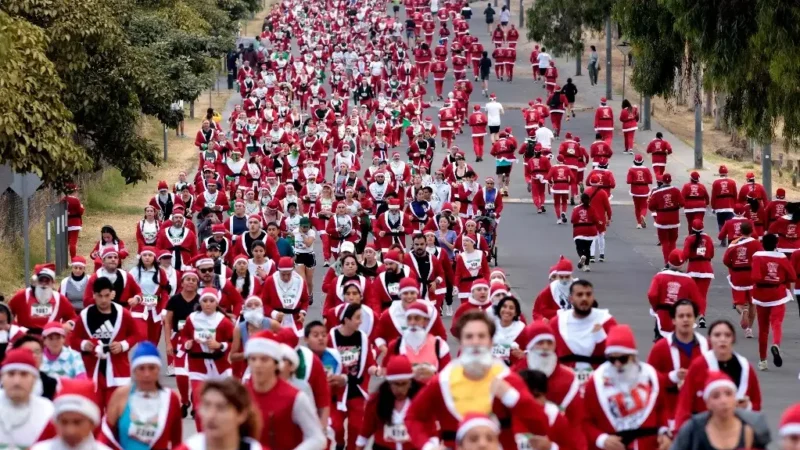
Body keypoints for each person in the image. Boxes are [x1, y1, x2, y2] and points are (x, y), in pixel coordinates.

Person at [406, 311, 549, 450]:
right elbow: (413, 417)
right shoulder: (443, 381)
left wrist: (512, 398)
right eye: (469, 336)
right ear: (461, 342)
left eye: (481, 336)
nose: (475, 342)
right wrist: (428, 446)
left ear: (491, 341)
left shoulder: (507, 380)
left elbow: (541, 425)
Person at [582, 324, 671, 450]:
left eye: (623, 358)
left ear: (633, 356)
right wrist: (601, 439)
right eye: (612, 359)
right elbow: (585, 420)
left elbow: (663, 410)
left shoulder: (653, 378)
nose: (617, 364)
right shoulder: (595, 383)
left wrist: (664, 432)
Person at [243, 330, 326, 450]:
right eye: (253, 359)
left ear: (276, 363)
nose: (257, 364)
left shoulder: (295, 397)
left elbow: (317, 438)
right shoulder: (241, 395)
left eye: (264, 359)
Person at [674, 320, 762, 430]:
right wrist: (680, 434)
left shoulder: (745, 367)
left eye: (727, 335)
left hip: (737, 433)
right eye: (717, 335)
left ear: (733, 339)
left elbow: (756, 403)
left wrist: (747, 406)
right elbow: (684, 404)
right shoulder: (698, 366)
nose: (722, 339)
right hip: (704, 433)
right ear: (709, 339)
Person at [71, 276, 141, 407]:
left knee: (115, 414)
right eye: (99, 296)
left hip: (118, 370)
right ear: (94, 295)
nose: (103, 300)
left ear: (112, 294)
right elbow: (74, 339)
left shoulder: (123, 314)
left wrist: (123, 345)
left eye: (107, 295)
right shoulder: (85, 315)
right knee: (94, 414)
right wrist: (84, 345)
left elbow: (136, 334)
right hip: (92, 371)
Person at [100, 342, 183, 450]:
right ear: (134, 370)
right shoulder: (121, 396)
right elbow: (105, 437)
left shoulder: (171, 399)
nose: (147, 373)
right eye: (141, 368)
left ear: (158, 369)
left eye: (152, 368)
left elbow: (177, 442)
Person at [513, 321, 585, 446]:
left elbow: (576, 423)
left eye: (549, 342)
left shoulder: (568, 379)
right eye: (540, 342)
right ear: (530, 346)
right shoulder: (513, 376)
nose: (545, 347)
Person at [646, 299, 708, 431]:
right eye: (681, 316)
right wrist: (671, 377)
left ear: (695, 319)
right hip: (671, 417)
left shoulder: (706, 346)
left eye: (689, 316)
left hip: (702, 415)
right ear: (673, 320)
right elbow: (647, 381)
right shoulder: (660, 348)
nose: (685, 319)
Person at [670, 372, 771, 450]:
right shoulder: (693, 430)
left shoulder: (752, 429)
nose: (723, 401)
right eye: (716, 396)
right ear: (708, 403)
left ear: (735, 399)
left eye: (728, 394)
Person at [328, 303, 381, 450]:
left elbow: (370, 363)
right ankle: (339, 443)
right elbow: (325, 363)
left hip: (357, 389)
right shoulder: (331, 337)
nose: (360, 321)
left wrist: (377, 371)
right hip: (337, 391)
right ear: (346, 319)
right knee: (336, 426)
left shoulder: (363, 338)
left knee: (356, 427)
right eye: (357, 318)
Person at [181, 287, 235, 430]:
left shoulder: (223, 321)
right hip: (197, 366)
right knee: (199, 407)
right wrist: (187, 343)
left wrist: (220, 345)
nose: (208, 304)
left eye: (211, 301)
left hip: (220, 367)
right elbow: (185, 335)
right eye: (205, 301)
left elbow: (234, 342)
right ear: (201, 302)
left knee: (227, 404)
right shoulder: (192, 319)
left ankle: (223, 435)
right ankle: (202, 438)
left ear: (216, 303)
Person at [552, 280, 618, 386]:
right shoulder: (558, 322)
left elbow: (618, 354)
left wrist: (601, 337)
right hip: (566, 383)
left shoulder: (606, 321)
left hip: (598, 382)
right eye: (579, 295)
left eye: (588, 294)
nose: (584, 298)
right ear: (571, 299)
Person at [356, 355, 424, 450]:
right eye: (396, 384)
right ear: (389, 383)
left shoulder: (422, 401)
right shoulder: (376, 401)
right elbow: (366, 430)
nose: (400, 389)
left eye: (404, 383)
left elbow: (431, 430)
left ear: (410, 382)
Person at [176, 379, 264, 450]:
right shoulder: (188, 447)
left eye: (221, 408)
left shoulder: (257, 448)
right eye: (206, 406)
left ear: (241, 414)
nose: (211, 415)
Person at [751, 233, 796, 370]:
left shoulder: (757, 257)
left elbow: (755, 277)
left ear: (762, 244)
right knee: (776, 323)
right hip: (777, 294)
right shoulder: (782, 258)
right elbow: (793, 276)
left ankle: (762, 360)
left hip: (761, 295)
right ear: (776, 244)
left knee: (762, 329)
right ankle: (776, 344)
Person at [0, 348, 57, 446]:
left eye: (24, 374)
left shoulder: (48, 410)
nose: (16, 381)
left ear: (35, 379)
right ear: (2, 377)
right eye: (11, 374)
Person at [647, 249, 705, 338]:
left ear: (669, 261)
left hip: (662, 315)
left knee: (661, 344)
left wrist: (657, 308)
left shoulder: (659, 277)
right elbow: (697, 301)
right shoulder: (689, 280)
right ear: (683, 264)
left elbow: (652, 295)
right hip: (682, 317)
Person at [9, 263, 77, 334]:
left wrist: (69, 324)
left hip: (51, 338)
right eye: (41, 280)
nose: (44, 283)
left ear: (52, 283)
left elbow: (74, 318)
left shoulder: (59, 299)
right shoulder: (22, 296)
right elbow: (7, 315)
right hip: (25, 338)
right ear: (35, 281)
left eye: (47, 281)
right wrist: (17, 329)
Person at [722, 222, 761, 337]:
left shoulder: (734, 244)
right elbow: (761, 257)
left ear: (740, 231)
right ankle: (749, 329)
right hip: (752, 275)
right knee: (752, 303)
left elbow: (725, 260)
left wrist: (733, 267)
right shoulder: (756, 244)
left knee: (739, 303)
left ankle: (743, 311)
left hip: (738, 275)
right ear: (751, 231)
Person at [648, 173, 685, 265]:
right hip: (674, 219)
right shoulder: (676, 191)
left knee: (664, 242)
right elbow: (682, 203)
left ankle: (667, 262)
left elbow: (651, 207)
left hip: (661, 220)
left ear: (662, 181)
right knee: (673, 241)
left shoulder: (656, 193)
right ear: (670, 180)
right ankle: (674, 261)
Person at [12, 334, 59, 400]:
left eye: (37, 352)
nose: (34, 356)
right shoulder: (6, 382)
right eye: (28, 352)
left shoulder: (52, 383)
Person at [570, 193, 599, 271]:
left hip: (579, 230)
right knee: (587, 248)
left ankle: (582, 256)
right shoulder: (592, 209)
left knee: (579, 247)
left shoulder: (576, 209)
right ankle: (586, 266)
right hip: (591, 231)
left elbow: (572, 220)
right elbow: (596, 220)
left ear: (581, 200)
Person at [627, 154, 653, 228]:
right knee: (644, 206)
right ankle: (642, 215)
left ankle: (638, 223)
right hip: (644, 190)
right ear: (642, 161)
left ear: (634, 161)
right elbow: (650, 180)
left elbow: (628, 181)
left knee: (637, 207)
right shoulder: (646, 169)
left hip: (635, 190)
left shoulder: (631, 170)